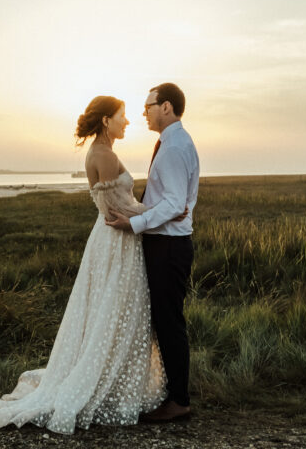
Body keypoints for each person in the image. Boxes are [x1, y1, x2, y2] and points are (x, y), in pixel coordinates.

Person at [0, 95, 185, 434]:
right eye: (121, 116)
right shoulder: (105, 155)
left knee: (114, 311)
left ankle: (116, 378)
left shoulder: (99, 152)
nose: (127, 122)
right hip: (116, 241)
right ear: (106, 121)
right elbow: (117, 211)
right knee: (117, 310)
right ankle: (108, 384)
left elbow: (121, 205)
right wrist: (166, 212)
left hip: (112, 240)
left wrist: (150, 210)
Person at [106, 82, 199, 422]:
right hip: (166, 242)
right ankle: (171, 393)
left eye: (149, 105)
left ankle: (179, 400)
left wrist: (135, 223)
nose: (144, 112)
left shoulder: (174, 148)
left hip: (169, 246)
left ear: (167, 107)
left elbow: (175, 203)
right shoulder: (172, 143)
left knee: (169, 321)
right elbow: (176, 201)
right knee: (164, 319)